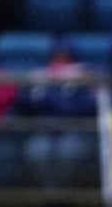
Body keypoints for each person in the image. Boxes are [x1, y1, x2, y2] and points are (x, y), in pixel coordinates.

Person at [16, 41, 97, 190]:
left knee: (68, 153)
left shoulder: (85, 75)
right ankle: (52, 194)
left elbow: (90, 106)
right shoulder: (39, 76)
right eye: (57, 57)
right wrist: (57, 101)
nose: (60, 61)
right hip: (44, 130)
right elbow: (23, 104)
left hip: (76, 130)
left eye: (65, 57)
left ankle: (62, 194)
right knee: (37, 152)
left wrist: (53, 102)